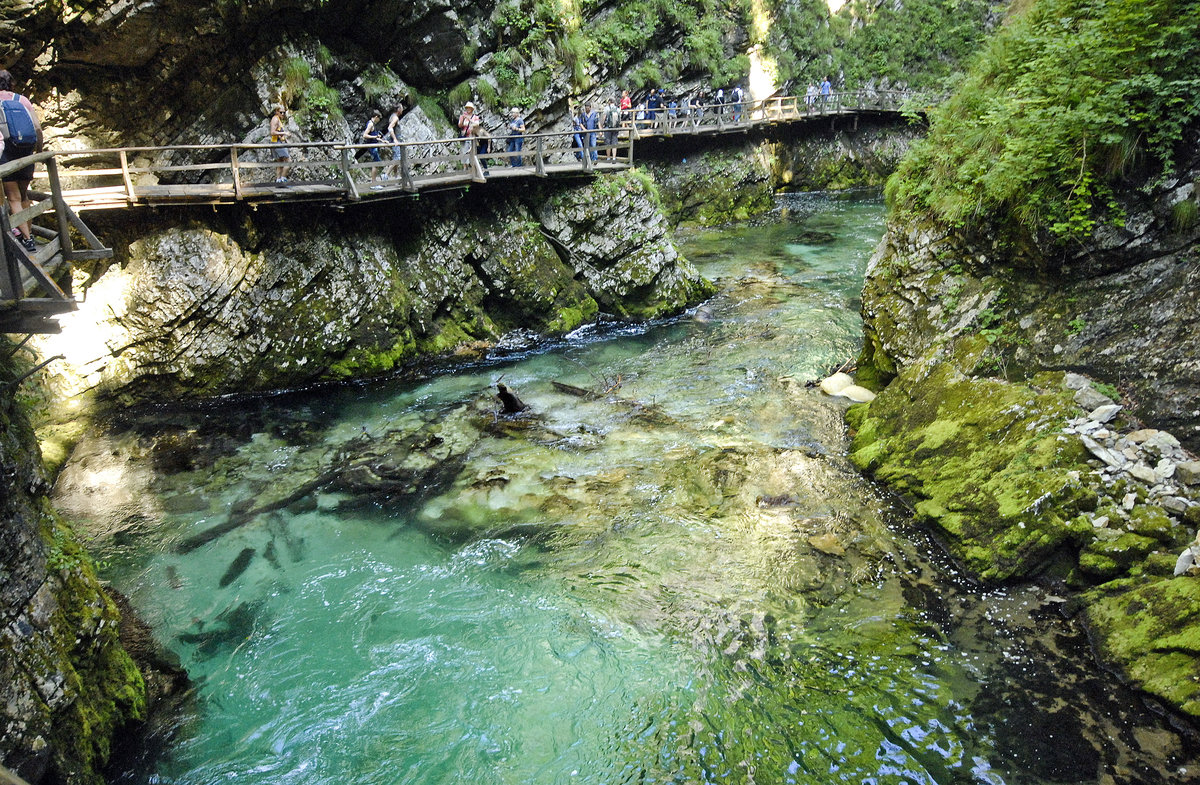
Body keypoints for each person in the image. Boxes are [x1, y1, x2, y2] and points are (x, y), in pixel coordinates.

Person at [0, 70, 42, 254]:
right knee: (24, 196)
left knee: (13, 198)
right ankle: (29, 233)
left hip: (5, 153)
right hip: (26, 151)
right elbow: (37, 127)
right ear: (12, 83)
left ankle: (26, 239)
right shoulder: (22, 100)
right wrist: (38, 151)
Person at [360, 110, 384, 181]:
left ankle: (374, 181)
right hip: (372, 147)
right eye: (379, 118)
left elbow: (374, 136)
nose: (379, 120)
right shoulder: (370, 124)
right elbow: (365, 135)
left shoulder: (372, 124)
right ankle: (373, 182)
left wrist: (382, 141)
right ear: (376, 117)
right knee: (376, 163)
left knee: (376, 163)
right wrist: (375, 137)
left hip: (374, 146)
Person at [269, 106, 291, 183]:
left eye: (284, 112)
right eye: (281, 112)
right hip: (277, 143)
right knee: (288, 161)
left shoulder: (278, 119)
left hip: (278, 142)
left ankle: (278, 181)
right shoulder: (275, 119)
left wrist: (285, 139)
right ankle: (283, 179)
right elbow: (272, 132)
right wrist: (284, 133)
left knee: (280, 162)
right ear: (276, 112)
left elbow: (277, 132)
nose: (282, 114)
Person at [385, 104, 404, 179]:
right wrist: (395, 139)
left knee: (396, 157)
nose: (402, 110)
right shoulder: (395, 118)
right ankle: (386, 175)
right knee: (397, 158)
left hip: (395, 140)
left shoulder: (392, 116)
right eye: (402, 108)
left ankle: (396, 177)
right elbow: (390, 128)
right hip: (396, 140)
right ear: (398, 110)